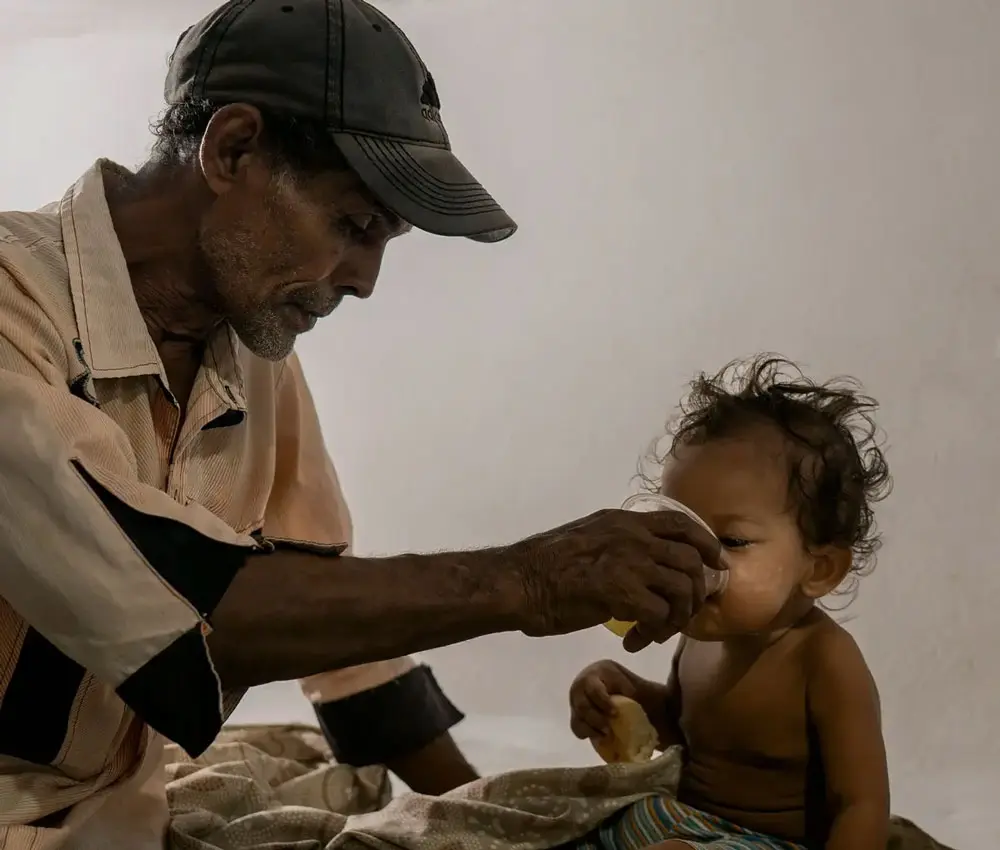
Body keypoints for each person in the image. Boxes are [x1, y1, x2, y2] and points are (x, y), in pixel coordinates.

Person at [0, 1, 724, 847]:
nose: (365, 280)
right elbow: (190, 610)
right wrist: (530, 580)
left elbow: (341, 643)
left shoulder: (253, 350)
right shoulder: (17, 310)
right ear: (233, 149)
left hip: (117, 820)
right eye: (352, 225)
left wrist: (495, 819)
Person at [568, 356, 892, 850]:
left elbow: (861, 804)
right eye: (678, 531)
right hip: (684, 825)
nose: (695, 559)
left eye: (732, 541)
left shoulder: (823, 659)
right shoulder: (698, 634)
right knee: (578, 817)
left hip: (767, 844)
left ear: (819, 569)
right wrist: (619, 691)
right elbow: (681, 731)